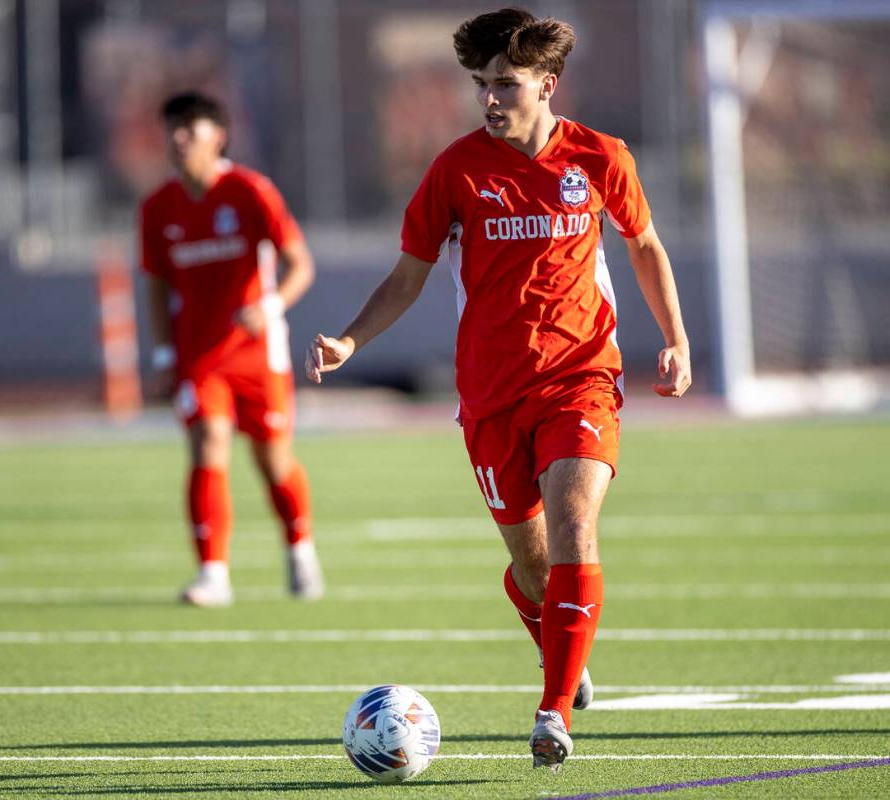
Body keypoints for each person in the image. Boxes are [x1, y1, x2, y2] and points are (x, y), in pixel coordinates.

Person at [305, 8, 689, 770]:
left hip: (580, 375)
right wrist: (351, 338)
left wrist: (674, 339)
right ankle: (560, 645)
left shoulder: (599, 157)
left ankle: (551, 711)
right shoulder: (455, 170)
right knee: (533, 568)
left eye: (504, 84)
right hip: (488, 394)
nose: (489, 98)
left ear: (546, 84)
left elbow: (642, 243)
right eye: (480, 84)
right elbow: (407, 276)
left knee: (577, 525)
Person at [140, 91, 324, 607]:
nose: (178, 140)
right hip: (199, 357)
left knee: (273, 461)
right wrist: (161, 354)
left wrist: (270, 306)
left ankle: (300, 547)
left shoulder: (249, 191)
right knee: (207, 445)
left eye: (189, 130)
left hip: (258, 352)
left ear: (217, 137)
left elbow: (299, 264)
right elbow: (155, 284)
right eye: (172, 130)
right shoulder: (157, 208)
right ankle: (213, 573)